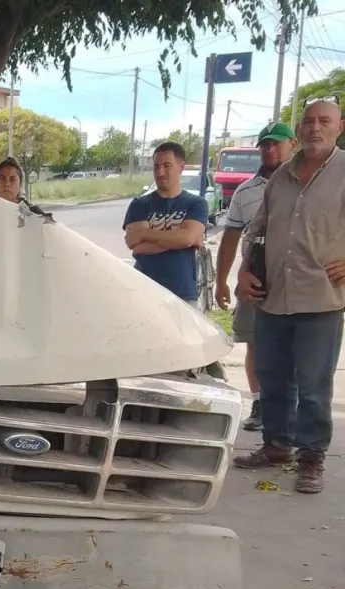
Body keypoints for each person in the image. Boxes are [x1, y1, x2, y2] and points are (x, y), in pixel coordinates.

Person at [234, 97, 345, 494]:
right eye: (308, 121)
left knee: (314, 386)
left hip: (321, 297)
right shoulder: (281, 176)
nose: (315, 128)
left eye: (324, 121)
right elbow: (257, 231)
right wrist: (244, 271)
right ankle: (277, 445)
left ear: (340, 126)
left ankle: (311, 457)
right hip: (272, 295)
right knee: (273, 377)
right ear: (299, 129)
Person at [215, 122, 298, 431]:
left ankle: (292, 406)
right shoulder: (246, 191)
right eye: (265, 144)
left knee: (295, 345)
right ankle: (260, 403)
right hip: (256, 279)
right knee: (255, 342)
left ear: (293, 144)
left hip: (297, 280)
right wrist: (222, 280)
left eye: (277, 143)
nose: (271, 149)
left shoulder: (308, 185)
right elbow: (230, 236)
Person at [122, 142, 209, 305]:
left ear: (181, 166)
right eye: (156, 166)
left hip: (183, 294)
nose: (160, 172)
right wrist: (181, 240)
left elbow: (187, 238)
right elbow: (136, 246)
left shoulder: (196, 203)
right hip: (143, 292)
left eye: (167, 165)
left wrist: (145, 233)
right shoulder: (140, 204)